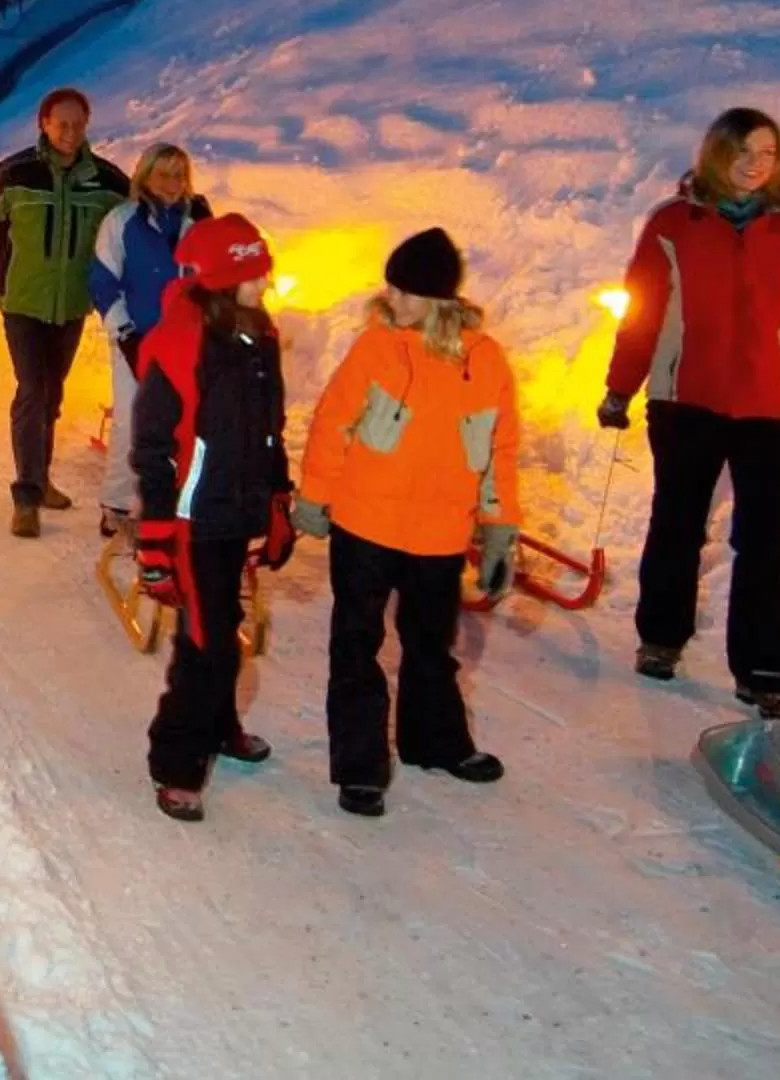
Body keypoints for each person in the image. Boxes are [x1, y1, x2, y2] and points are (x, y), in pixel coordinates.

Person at [597, 106, 780, 717]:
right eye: (744, 153)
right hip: (685, 402)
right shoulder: (674, 225)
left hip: (770, 409)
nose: (757, 165)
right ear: (716, 154)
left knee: (765, 543)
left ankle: (765, 671)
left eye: (767, 153)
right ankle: (661, 637)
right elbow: (643, 314)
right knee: (677, 523)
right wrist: (619, 389)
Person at [294, 228, 519, 817]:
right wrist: (315, 497)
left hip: (441, 533)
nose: (393, 298)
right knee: (356, 645)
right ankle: (360, 766)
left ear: (440, 298)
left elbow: (500, 449)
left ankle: (435, 742)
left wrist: (499, 527)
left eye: (406, 291)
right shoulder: (376, 347)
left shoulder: (486, 360)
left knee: (431, 644)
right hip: (366, 523)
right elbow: (332, 423)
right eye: (390, 286)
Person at [128, 212, 296, 821]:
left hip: (237, 512)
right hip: (193, 521)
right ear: (224, 279)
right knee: (206, 646)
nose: (266, 285)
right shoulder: (179, 342)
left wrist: (277, 500)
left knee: (226, 627)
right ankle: (175, 761)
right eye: (255, 275)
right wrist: (153, 540)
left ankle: (221, 724)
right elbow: (153, 450)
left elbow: (270, 431)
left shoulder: (261, 337)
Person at [0, 87, 131, 537]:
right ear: (44, 125)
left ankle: (42, 475)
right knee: (32, 390)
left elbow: (136, 231)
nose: (69, 133)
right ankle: (26, 495)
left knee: (52, 395)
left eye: (77, 124)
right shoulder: (16, 174)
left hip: (71, 305)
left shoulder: (107, 182)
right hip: (23, 302)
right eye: (61, 124)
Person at [86, 143, 211, 533]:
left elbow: (210, 281)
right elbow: (103, 281)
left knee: (181, 422)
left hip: (183, 344)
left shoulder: (195, 224)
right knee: (131, 419)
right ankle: (118, 502)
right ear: (145, 176)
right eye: (164, 174)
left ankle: (169, 498)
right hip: (136, 338)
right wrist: (125, 333)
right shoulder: (121, 221)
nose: (173, 183)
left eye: (179, 175)